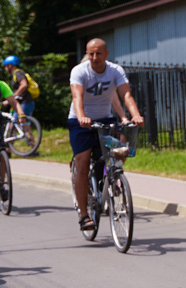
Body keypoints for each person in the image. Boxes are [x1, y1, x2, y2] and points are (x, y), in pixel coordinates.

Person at [68, 38, 143, 231]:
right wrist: (82, 117)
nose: (94, 57)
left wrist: (134, 115)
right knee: (83, 163)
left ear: (106, 54)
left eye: (98, 53)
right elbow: (77, 96)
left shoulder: (115, 70)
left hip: (105, 118)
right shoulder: (79, 71)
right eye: (91, 53)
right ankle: (84, 215)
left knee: (121, 148)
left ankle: (110, 177)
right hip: (80, 120)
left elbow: (126, 95)